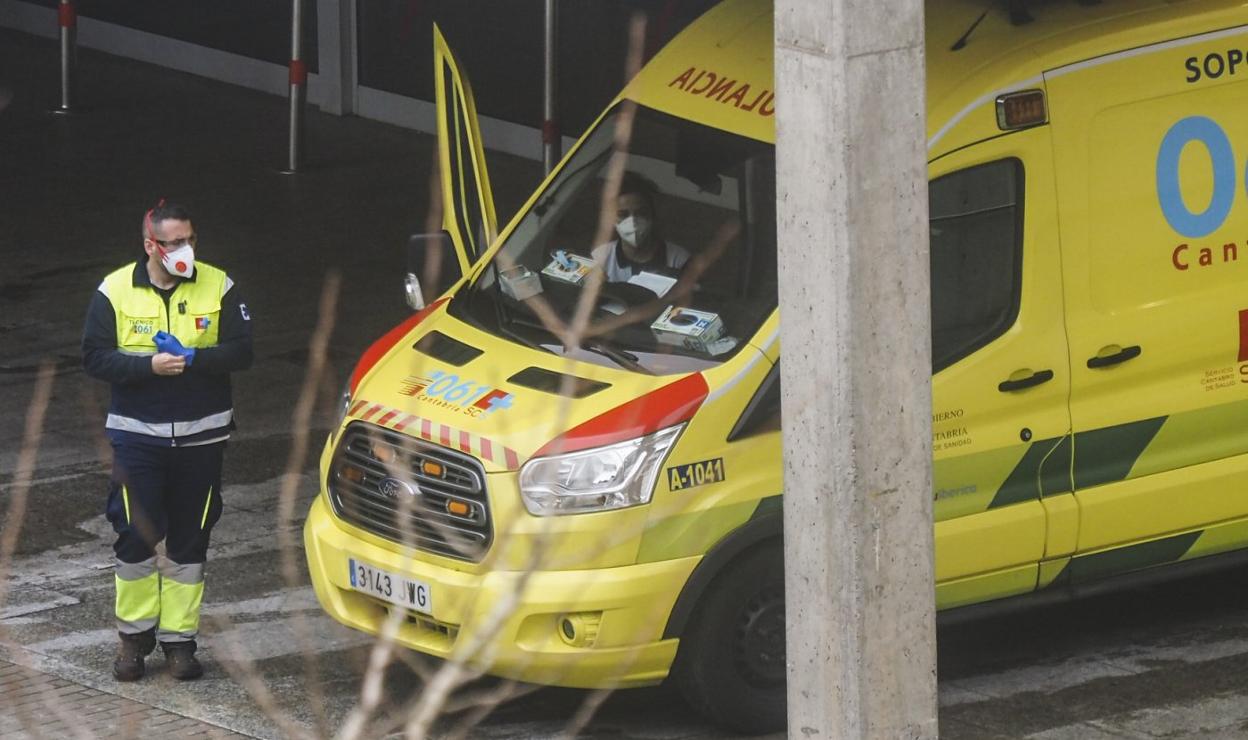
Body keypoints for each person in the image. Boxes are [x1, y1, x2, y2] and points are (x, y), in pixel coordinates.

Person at [82, 200, 252, 682]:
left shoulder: (220, 284)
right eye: (174, 242)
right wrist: (146, 367)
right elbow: (94, 359)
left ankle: (180, 643)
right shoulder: (113, 291)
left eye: (190, 240)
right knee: (136, 535)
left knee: (191, 540)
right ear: (149, 245)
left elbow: (244, 351)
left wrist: (195, 358)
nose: (185, 251)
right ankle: (133, 641)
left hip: (202, 438)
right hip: (139, 439)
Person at [591, 173, 691, 289]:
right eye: (623, 215)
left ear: (652, 215)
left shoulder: (679, 260)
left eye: (641, 213)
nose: (632, 222)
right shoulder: (601, 258)